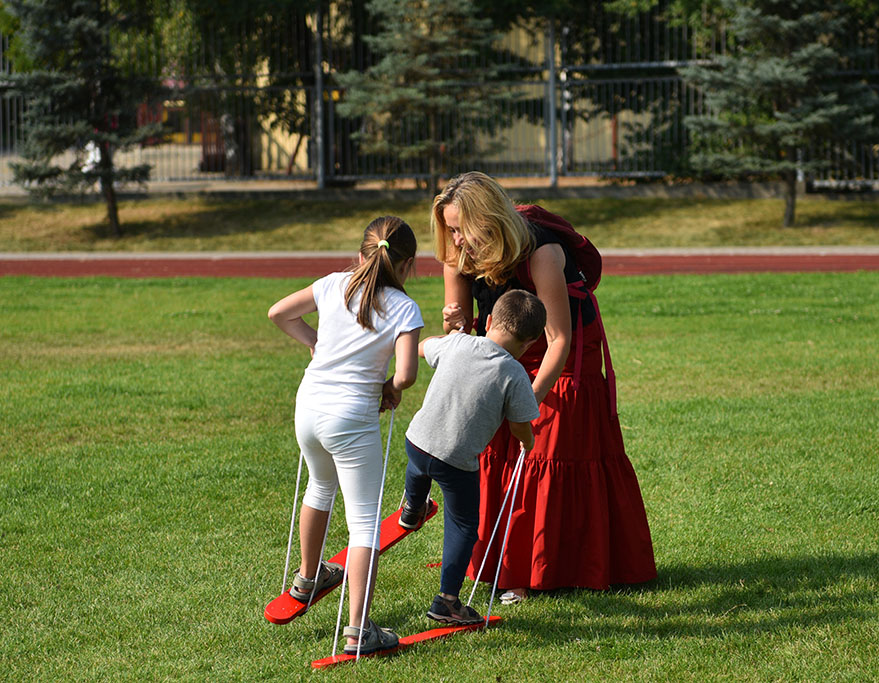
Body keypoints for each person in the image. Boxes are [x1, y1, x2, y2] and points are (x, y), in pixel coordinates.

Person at [432, 171, 657, 602]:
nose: (456, 240)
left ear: (488, 221)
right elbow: (458, 336)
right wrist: (455, 327)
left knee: (549, 448)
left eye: (461, 229)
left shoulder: (541, 250)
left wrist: (525, 402)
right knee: (498, 453)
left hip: (564, 358)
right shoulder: (458, 254)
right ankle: (506, 565)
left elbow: (560, 339)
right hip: (503, 350)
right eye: (450, 230)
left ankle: (552, 568)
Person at [267, 216, 423, 655]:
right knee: (365, 523)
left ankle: (307, 575)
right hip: (351, 417)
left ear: (361, 254)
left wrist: (315, 341)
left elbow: (278, 312)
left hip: (309, 407)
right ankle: (358, 630)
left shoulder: (334, 283)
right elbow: (408, 374)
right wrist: (390, 389)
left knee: (319, 487)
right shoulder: (405, 309)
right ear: (408, 264)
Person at [399, 289, 545, 624]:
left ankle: (412, 507)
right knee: (465, 524)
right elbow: (520, 423)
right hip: (457, 460)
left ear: (490, 320)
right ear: (529, 344)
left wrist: (451, 334)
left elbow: (422, 349)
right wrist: (528, 442)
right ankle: (447, 601)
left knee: (419, 468)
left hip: (417, 440)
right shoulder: (514, 373)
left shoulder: (459, 343)